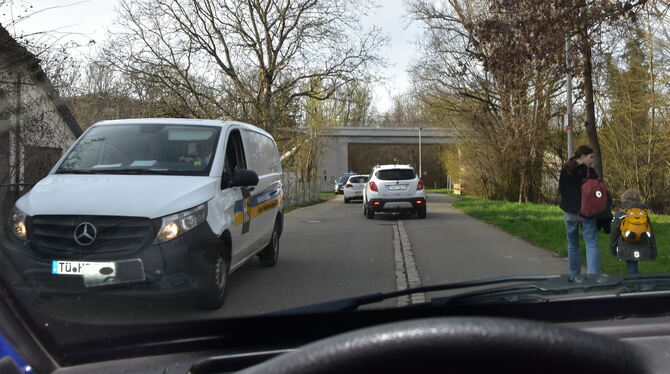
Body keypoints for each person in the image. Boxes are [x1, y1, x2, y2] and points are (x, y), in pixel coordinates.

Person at [559, 145, 601, 275]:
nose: (592, 160)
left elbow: (561, 190)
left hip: (569, 212)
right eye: (591, 157)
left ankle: (574, 273)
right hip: (586, 212)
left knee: (572, 244)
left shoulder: (566, 170)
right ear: (582, 156)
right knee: (591, 243)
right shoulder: (589, 172)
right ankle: (593, 275)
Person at [610, 188, 657, 274]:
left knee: (631, 263)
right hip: (642, 242)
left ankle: (633, 284)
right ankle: (635, 282)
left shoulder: (621, 212)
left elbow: (614, 232)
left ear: (624, 198)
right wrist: (653, 250)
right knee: (633, 264)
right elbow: (650, 232)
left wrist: (613, 247)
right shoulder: (643, 212)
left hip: (626, 243)